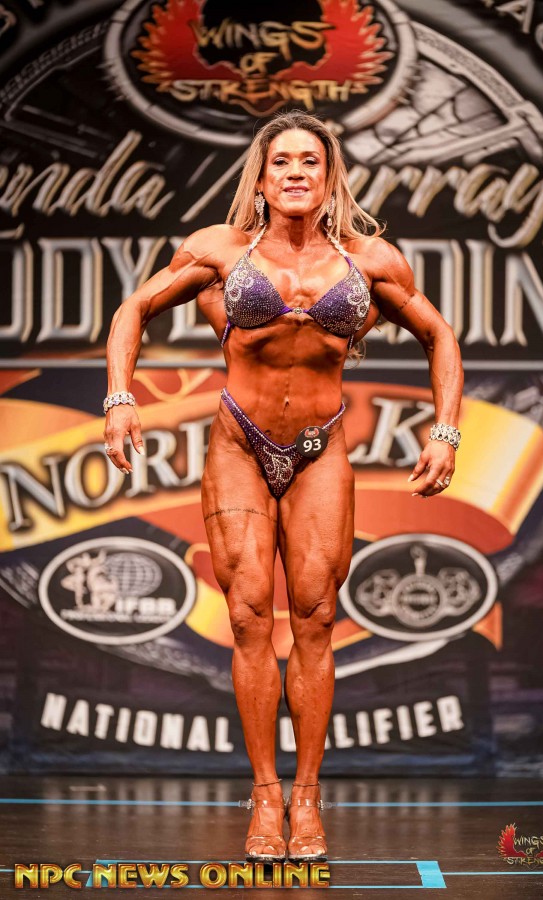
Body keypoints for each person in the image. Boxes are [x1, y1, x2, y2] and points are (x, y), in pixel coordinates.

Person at [103, 110, 464, 864]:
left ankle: (307, 797)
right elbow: (135, 307)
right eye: (282, 162)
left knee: (316, 616)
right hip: (240, 443)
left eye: (310, 162)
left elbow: (439, 335)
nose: (296, 172)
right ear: (262, 178)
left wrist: (446, 431)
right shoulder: (219, 248)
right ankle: (265, 795)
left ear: (329, 177)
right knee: (247, 618)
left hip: (319, 449)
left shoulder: (370, 260)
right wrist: (120, 397)